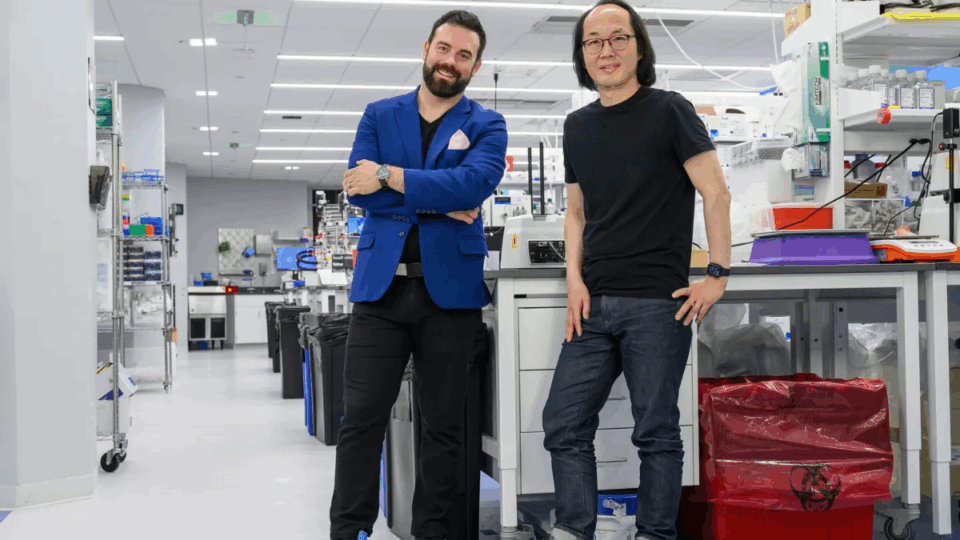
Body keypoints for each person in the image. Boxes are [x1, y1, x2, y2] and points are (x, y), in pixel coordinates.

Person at [542, 1, 732, 540]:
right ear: (582, 55)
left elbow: (715, 192)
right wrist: (573, 280)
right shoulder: (577, 125)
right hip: (594, 304)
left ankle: (655, 532)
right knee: (563, 423)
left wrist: (718, 274)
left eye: (617, 38)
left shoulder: (671, 110)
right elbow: (576, 212)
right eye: (593, 42)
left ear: (639, 47)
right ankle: (574, 529)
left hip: (657, 302)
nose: (606, 50)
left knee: (655, 431)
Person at [331, 9, 508, 540]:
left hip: (450, 295)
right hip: (380, 292)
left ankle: (435, 533)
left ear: (476, 66)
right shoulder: (379, 115)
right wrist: (442, 199)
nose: (451, 61)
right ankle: (350, 531)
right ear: (426, 49)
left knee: (444, 426)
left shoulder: (487, 124)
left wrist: (387, 176)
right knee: (361, 419)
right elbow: (357, 189)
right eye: (444, 48)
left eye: (464, 55)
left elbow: (471, 186)